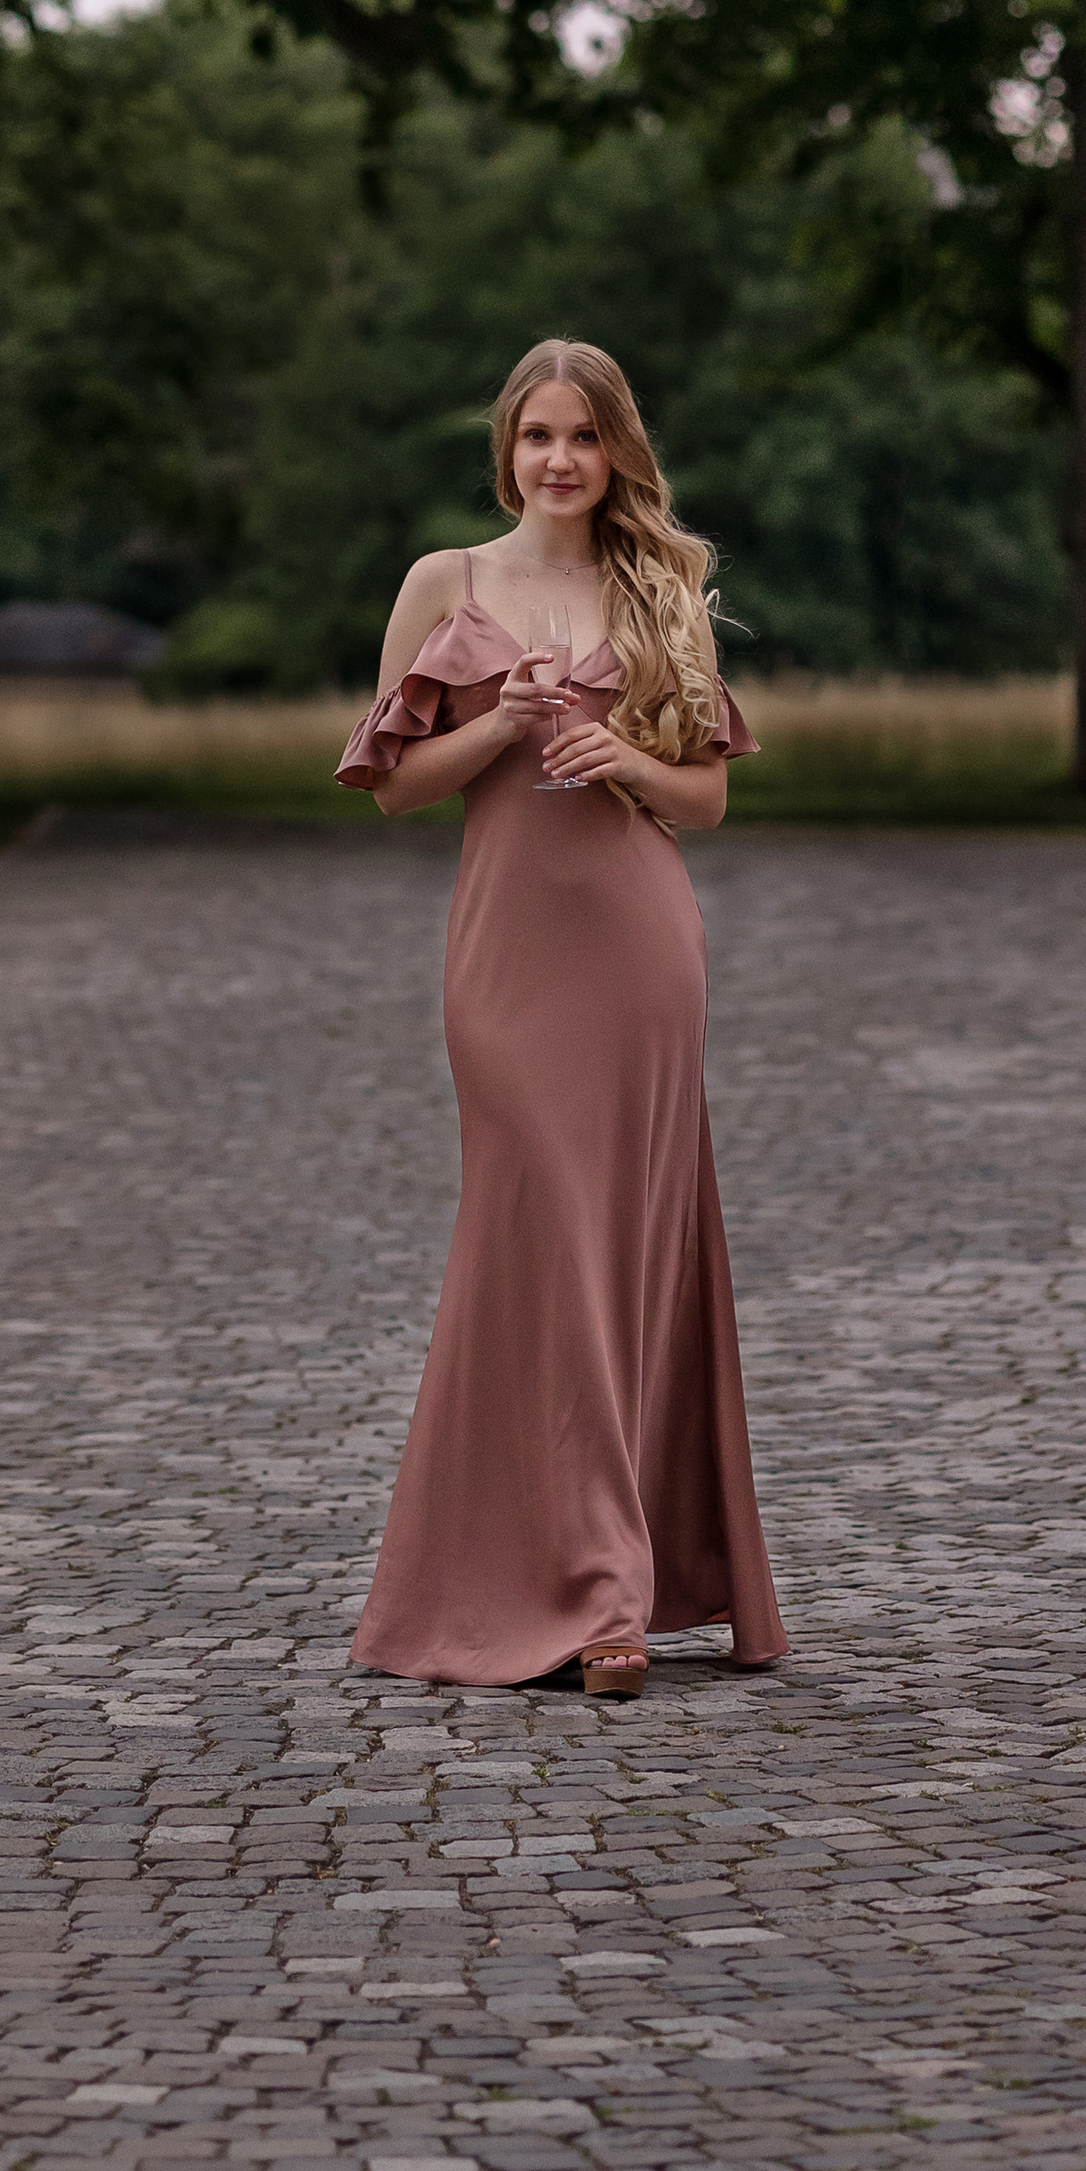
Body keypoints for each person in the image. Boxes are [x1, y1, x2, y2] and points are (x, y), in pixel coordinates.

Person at [335, 339, 788, 1698]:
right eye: (537, 436)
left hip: (639, 951)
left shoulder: (661, 588)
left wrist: (623, 757)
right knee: (537, 1240)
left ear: (616, 455)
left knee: (625, 1251)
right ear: (507, 451)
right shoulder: (445, 584)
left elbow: (704, 803)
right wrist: (508, 726)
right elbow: (394, 787)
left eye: (584, 438)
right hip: (506, 968)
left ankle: (608, 1591)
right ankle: (576, 1575)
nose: (559, 460)